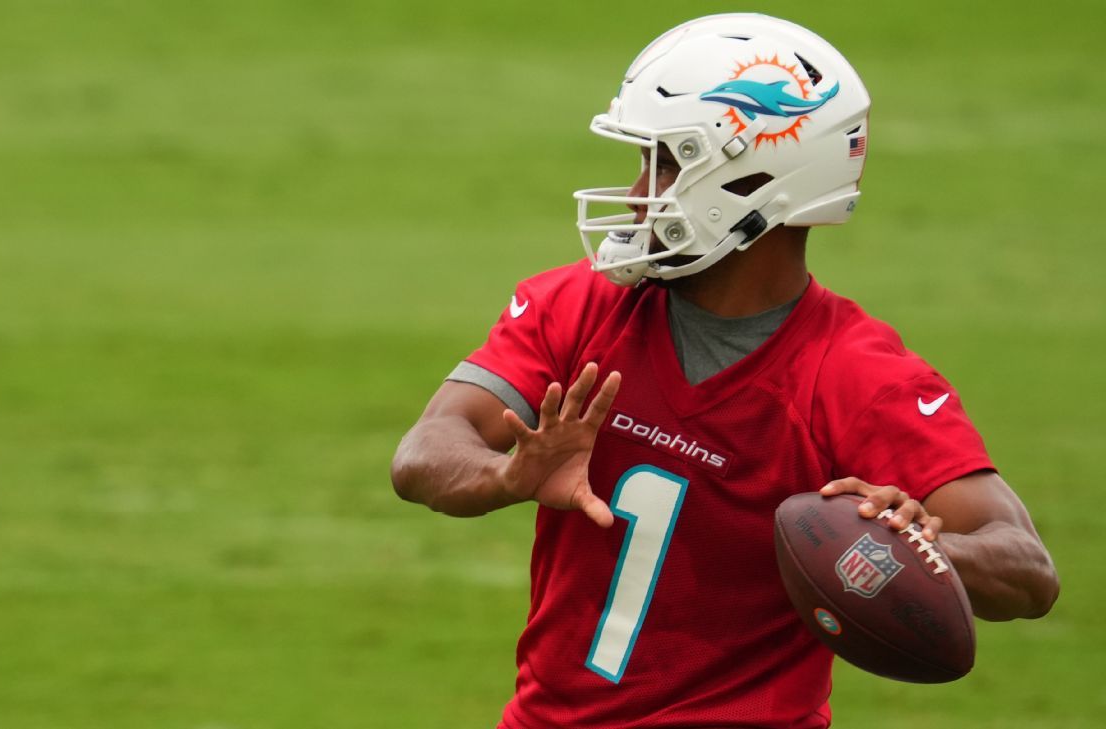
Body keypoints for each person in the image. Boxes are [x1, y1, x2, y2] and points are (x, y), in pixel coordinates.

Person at [391, 13, 1059, 728]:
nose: (641, 190)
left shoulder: (858, 376)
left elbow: (1026, 567)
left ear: (760, 179)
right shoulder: (580, 305)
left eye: (669, 162)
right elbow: (425, 450)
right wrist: (504, 476)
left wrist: (916, 547)